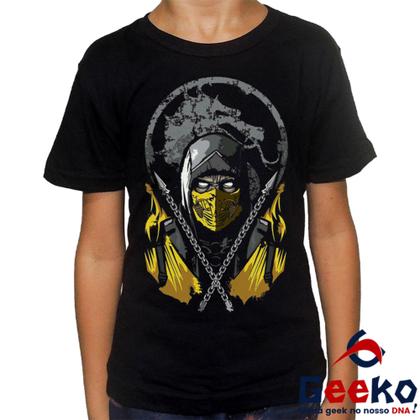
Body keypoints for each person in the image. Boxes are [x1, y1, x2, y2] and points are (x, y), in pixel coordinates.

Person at [43, 1, 377, 419]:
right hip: (150, 393)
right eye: (202, 184)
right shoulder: (111, 63)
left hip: (284, 388)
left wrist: (344, 392)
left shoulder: (308, 53)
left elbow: (332, 230)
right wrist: (98, 406)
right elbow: (99, 250)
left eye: (228, 184)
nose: (215, 197)